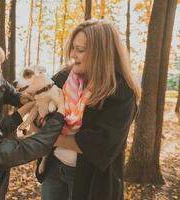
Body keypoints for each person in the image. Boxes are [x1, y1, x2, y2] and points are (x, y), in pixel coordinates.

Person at [38, 19, 141, 200]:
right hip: (54, 171)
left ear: (101, 53)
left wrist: (47, 136)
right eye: (73, 48)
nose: (73, 55)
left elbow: (100, 145)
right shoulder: (65, 77)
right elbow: (41, 108)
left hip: (91, 182)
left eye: (80, 50)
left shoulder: (122, 92)